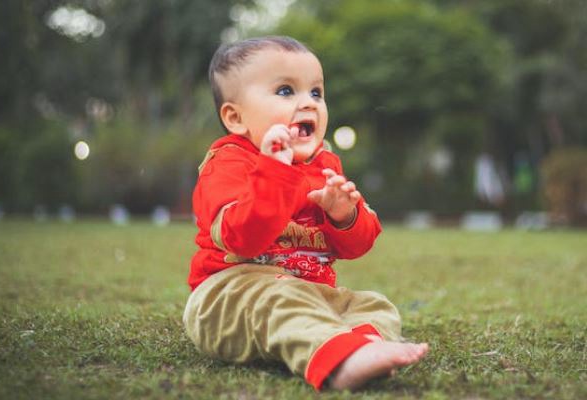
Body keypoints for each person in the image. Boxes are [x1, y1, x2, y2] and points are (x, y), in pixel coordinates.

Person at [183, 36, 428, 391]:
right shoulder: (229, 163)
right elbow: (243, 238)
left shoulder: (324, 165)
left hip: (308, 292)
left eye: (316, 92)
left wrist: (344, 216)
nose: (308, 104)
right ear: (235, 117)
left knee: (373, 305)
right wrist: (274, 173)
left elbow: (358, 245)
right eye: (286, 91)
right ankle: (341, 360)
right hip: (229, 297)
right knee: (283, 301)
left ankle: (364, 344)